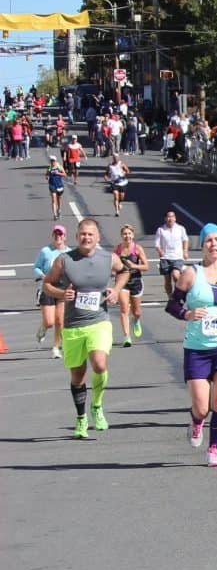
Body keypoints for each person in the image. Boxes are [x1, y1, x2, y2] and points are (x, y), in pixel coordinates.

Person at [166, 224, 217, 467]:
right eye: (208, 241)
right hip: (197, 348)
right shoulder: (191, 274)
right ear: (202, 246)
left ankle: (213, 449)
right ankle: (196, 422)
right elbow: (172, 306)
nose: (213, 244)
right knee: (202, 407)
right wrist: (187, 314)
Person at [41, 218, 130, 439]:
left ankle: (97, 406)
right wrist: (62, 294)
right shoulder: (65, 260)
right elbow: (47, 284)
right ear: (77, 236)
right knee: (78, 375)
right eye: (83, 234)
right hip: (73, 326)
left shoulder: (108, 258)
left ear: (97, 237)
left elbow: (125, 271)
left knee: (100, 364)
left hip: (98, 321)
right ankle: (81, 418)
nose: (86, 238)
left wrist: (116, 290)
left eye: (91, 234)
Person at [34, 224, 68, 358]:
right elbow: (36, 267)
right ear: (52, 236)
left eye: (60, 234)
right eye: (56, 234)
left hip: (62, 288)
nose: (58, 237)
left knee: (60, 321)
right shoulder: (45, 251)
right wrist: (43, 276)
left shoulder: (69, 252)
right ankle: (43, 328)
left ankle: (56, 347)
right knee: (50, 322)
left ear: (65, 237)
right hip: (47, 287)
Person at [114, 224, 149, 347]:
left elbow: (146, 266)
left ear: (132, 235)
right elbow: (112, 265)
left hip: (136, 281)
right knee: (124, 309)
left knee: (137, 311)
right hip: (122, 282)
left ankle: (136, 320)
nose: (127, 236)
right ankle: (126, 337)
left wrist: (134, 266)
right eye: (125, 234)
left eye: (129, 233)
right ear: (121, 236)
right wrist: (114, 271)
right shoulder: (117, 250)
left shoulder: (137, 249)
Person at [154, 209, 189, 296]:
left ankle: (180, 293)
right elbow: (156, 243)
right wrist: (160, 250)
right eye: (168, 217)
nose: (170, 219)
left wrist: (185, 251)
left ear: (175, 218)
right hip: (165, 257)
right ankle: (170, 297)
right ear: (165, 218)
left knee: (175, 275)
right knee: (167, 280)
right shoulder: (161, 230)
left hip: (177, 257)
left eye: (172, 216)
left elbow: (185, 240)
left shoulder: (180, 228)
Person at [45, 154, 67, 220]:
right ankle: (54, 215)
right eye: (51, 161)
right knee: (53, 200)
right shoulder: (49, 168)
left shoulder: (59, 167)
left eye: (53, 161)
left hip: (59, 185)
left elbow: (65, 174)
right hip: (52, 185)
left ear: (55, 161)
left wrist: (58, 173)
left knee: (59, 199)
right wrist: (47, 177)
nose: (52, 162)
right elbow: (46, 175)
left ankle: (59, 209)